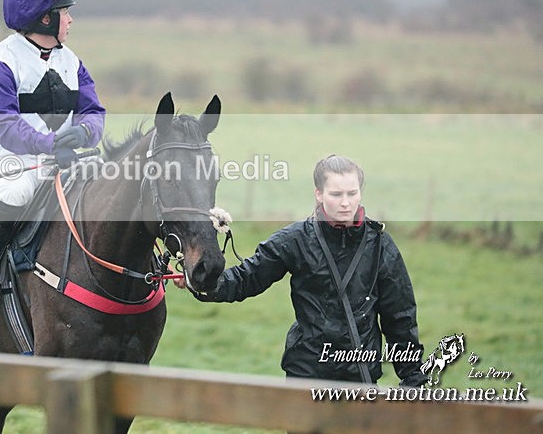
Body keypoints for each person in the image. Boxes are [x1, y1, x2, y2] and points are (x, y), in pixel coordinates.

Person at [181, 155, 426, 386]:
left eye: (352, 193)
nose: (345, 202)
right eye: (336, 193)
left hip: (359, 379)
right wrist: (203, 281)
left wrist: (414, 379)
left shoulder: (381, 245)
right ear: (319, 194)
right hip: (306, 375)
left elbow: (400, 318)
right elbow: (248, 278)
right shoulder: (295, 240)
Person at [0, 0, 105, 302]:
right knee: (16, 193)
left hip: (64, 157)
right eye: (65, 12)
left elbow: (93, 111)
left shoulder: (71, 61)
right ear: (45, 19)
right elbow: (4, 126)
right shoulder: (2, 64)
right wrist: (48, 144)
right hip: (15, 159)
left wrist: (84, 133)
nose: (71, 20)